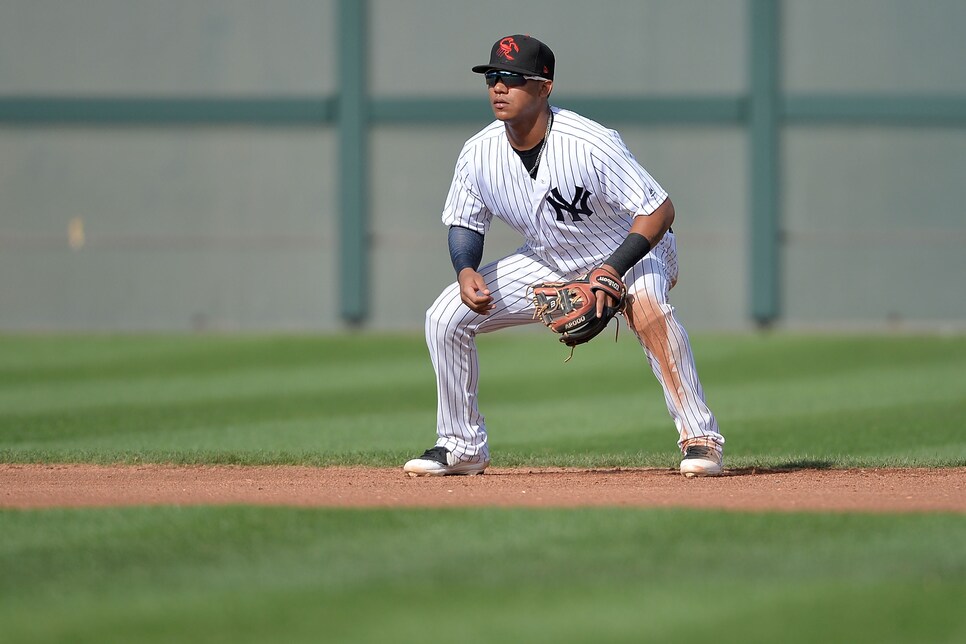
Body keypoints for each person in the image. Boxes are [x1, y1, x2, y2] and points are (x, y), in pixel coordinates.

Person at [404, 34, 724, 478]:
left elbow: (658, 210)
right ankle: (461, 446)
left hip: (627, 251)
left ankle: (700, 438)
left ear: (544, 86)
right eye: (493, 77)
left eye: (513, 79)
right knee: (445, 317)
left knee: (649, 310)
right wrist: (465, 269)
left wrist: (612, 268)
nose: (499, 87)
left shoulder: (589, 142)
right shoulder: (479, 152)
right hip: (548, 259)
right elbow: (465, 221)